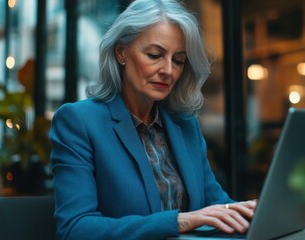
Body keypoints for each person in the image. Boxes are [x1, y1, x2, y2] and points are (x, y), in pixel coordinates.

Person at [49, 0, 256, 239]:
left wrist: (250, 211)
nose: (168, 70)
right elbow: (75, 228)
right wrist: (179, 221)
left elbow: (216, 204)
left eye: (178, 60)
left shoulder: (184, 124)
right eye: (155, 55)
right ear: (120, 52)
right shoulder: (78, 122)